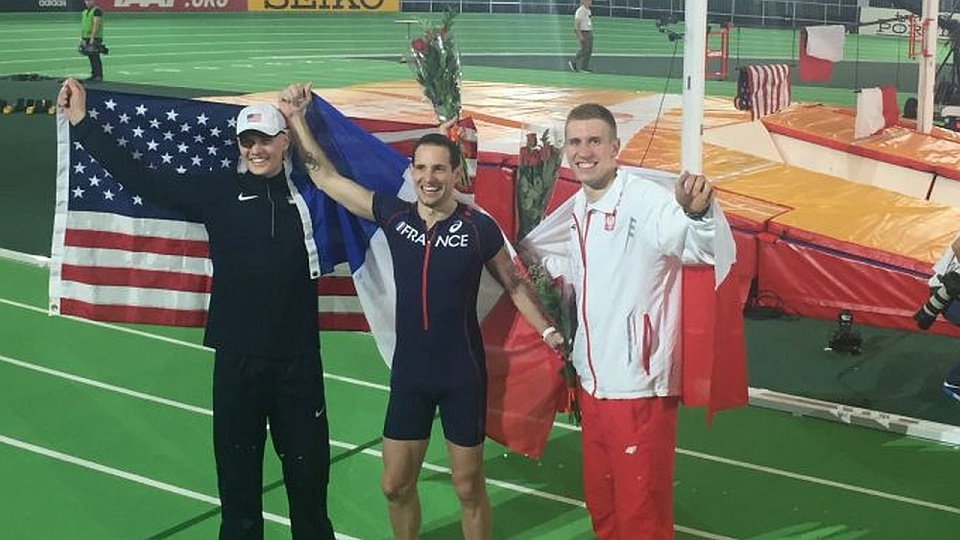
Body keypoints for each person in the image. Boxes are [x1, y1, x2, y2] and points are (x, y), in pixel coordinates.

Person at [276, 82, 564, 540]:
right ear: (411, 173)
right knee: (394, 485)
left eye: (440, 170)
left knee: (468, 487)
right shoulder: (394, 216)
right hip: (410, 375)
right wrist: (295, 119)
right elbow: (326, 178)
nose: (429, 178)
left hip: (461, 376)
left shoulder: (478, 228)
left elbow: (513, 283)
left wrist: (551, 335)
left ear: (455, 174)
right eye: (422, 169)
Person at [57, 78, 335, 540]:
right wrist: (84, 123)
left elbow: (345, 173)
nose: (256, 149)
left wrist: (303, 116)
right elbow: (143, 177)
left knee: (309, 489)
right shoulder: (218, 191)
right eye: (248, 141)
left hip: (298, 364)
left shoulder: (313, 193)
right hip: (237, 361)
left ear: (284, 141)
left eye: (265, 139)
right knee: (238, 488)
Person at [556, 103, 731, 539]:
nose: (584, 151)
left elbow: (697, 246)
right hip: (594, 385)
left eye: (594, 141)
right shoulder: (577, 206)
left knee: (641, 512)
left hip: (639, 386)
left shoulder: (646, 201)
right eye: (575, 142)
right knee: (603, 504)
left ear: (616, 147)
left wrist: (697, 213)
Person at [79, 0, 105, 82]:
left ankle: (98, 76)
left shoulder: (97, 11)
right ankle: (94, 74)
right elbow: (83, 26)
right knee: (90, 56)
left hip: (95, 37)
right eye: (86, 1)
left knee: (95, 56)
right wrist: (82, 38)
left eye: (89, 0)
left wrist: (92, 39)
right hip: (86, 37)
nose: (87, 2)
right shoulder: (85, 11)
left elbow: (96, 25)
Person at [568, 0, 593, 73]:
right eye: (588, 1)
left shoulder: (588, 10)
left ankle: (584, 67)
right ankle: (574, 61)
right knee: (584, 49)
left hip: (588, 31)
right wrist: (580, 35)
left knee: (589, 50)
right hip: (583, 31)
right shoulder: (580, 11)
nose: (590, 2)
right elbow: (576, 24)